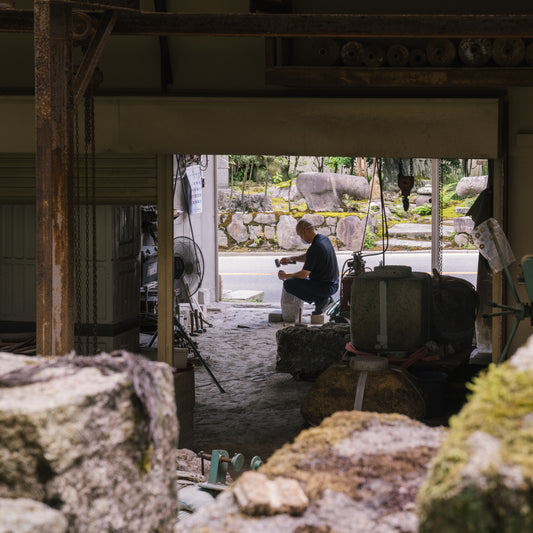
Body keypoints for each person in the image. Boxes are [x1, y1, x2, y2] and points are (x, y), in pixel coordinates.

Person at [277, 218, 339, 315]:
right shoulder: (323, 239)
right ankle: (324, 299)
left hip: (325, 287)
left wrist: (285, 276)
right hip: (333, 283)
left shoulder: (315, 247)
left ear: (304, 232)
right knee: (297, 280)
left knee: (289, 284)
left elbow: (303, 275)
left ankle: (321, 300)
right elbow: (308, 257)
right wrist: (291, 259)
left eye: (299, 235)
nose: (301, 238)